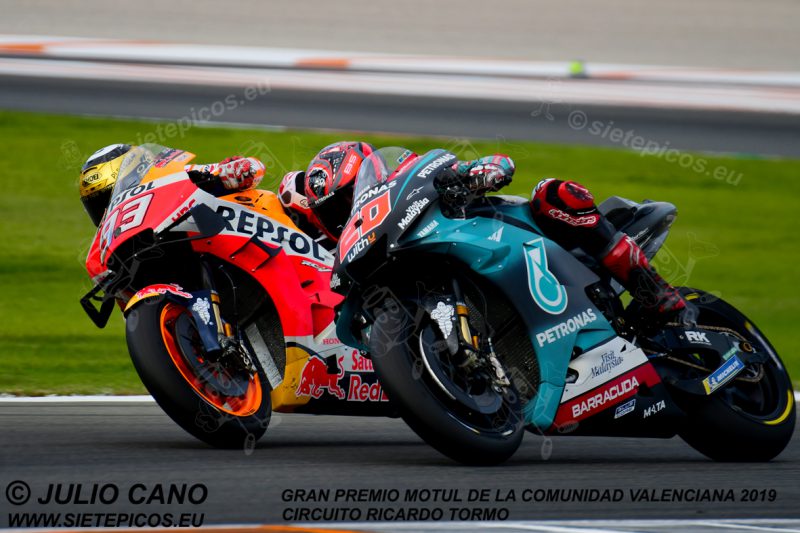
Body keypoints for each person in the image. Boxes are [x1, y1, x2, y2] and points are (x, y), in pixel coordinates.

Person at [279, 141, 686, 321]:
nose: (348, 212)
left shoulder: (417, 180)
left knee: (553, 193)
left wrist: (480, 173)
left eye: (348, 197)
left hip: (525, 237)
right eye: (334, 212)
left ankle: (655, 292)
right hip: (486, 285)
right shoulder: (370, 249)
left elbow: (498, 162)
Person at [79, 143, 265, 227]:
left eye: (106, 198)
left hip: (236, 230)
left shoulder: (177, 174)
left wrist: (233, 171)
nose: (104, 210)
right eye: (95, 204)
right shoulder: (110, 239)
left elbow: (255, 167)